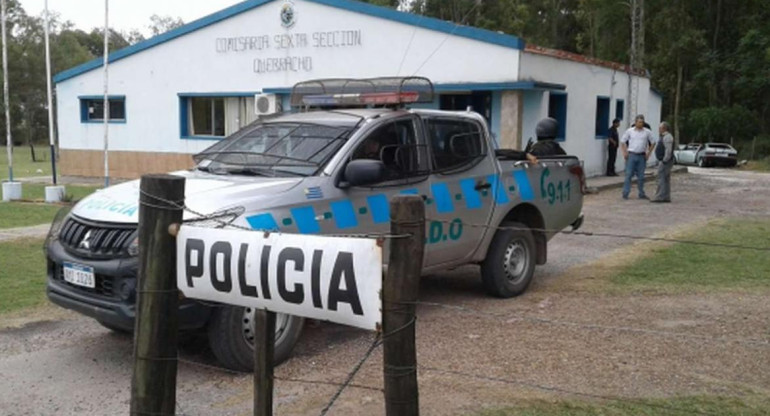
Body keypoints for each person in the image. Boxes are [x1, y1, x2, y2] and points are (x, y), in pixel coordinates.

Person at [620, 114, 655, 200]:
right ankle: (625, 192)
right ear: (635, 122)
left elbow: (653, 142)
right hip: (631, 154)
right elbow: (622, 141)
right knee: (628, 175)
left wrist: (648, 153)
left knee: (641, 176)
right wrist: (625, 152)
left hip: (641, 155)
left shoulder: (647, 132)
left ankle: (641, 193)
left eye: (642, 122)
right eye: (639, 122)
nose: (641, 124)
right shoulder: (630, 131)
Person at [651, 121, 674, 203]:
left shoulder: (667, 137)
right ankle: (666, 196)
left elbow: (668, 150)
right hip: (664, 160)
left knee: (661, 178)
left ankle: (660, 196)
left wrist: (664, 160)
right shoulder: (665, 136)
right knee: (665, 179)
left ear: (664, 128)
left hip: (665, 161)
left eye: (660, 128)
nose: (659, 129)